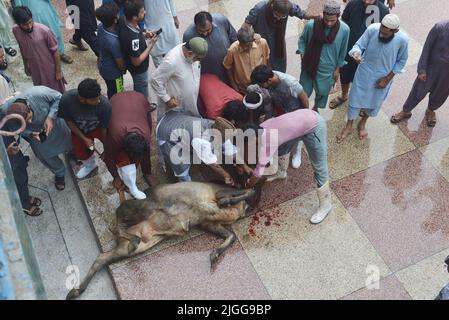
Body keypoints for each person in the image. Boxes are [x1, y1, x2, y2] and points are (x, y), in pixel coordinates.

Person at [227, 103, 331, 224]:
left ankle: (326, 205)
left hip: (315, 127)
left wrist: (248, 186)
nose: (248, 146)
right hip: (303, 118)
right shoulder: (261, 127)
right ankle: (281, 172)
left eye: (248, 143)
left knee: (319, 167)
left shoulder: (269, 141)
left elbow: (258, 173)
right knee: (282, 147)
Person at [336, 14, 408, 143]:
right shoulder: (373, 29)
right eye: (381, 31)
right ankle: (349, 125)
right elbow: (358, 45)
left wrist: (387, 79)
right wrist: (356, 54)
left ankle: (362, 123)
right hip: (364, 72)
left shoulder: (402, 39)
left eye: (386, 34)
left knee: (375, 102)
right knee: (354, 99)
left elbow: (401, 61)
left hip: (383, 77)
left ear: (395, 31)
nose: (381, 35)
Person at [2, 86, 72, 190]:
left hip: (55, 125)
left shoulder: (38, 93)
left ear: (29, 107)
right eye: (25, 122)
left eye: (29, 117)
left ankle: (72, 154)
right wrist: (29, 133)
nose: (29, 122)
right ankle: (59, 172)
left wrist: (51, 116)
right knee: (45, 156)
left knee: (68, 141)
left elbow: (59, 97)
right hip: (37, 137)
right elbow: (13, 128)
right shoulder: (6, 111)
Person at [329, 0, 389, 110]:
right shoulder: (352, 4)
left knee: (366, 79)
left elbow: (387, 36)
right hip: (349, 48)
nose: (366, 1)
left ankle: (362, 102)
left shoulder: (384, 11)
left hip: (370, 55)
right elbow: (343, 24)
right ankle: (344, 95)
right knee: (345, 74)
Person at [250, 64, 309, 172]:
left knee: (296, 136)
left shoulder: (290, 84)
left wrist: (304, 117)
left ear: (269, 80)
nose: (260, 86)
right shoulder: (269, 77)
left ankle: (297, 150)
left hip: (295, 112)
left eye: (261, 84)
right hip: (282, 110)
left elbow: (304, 99)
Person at [390, 20, 449, 127]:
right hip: (431, 69)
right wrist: (422, 69)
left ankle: (431, 110)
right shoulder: (439, 28)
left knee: (440, 95)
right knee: (418, 92)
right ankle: (406, 110)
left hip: (447, 76)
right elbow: (427, 48)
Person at [156, 110, 238, 185]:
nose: (227, 141)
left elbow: (229, 147)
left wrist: (245, 166)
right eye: (224, 139)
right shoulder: (201, 140)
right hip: (166, 133)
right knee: (181, 167)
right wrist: (226, 175)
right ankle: (185, 184)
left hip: (176, 120)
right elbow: (211, 163)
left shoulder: (216, 125)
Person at [298, 0, 350, 112]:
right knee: (303, 91)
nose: (329, 23)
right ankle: (302, 110)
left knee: (323, 92)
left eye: (333, 20)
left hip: (328, 68)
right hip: (309, 64)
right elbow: (302, 40)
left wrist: (337, 69)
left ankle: (316, 108)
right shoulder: (311, 25)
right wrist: (302, 52)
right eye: (326, 20)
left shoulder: (345, 30)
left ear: (338, 16)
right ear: (323, 14)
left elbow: (343, 51)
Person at [58, 79, 112, 179]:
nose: (98, 100)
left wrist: (106, 148)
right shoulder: (66, 100)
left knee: (112, 143)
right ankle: (90, 166)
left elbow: (104, 129)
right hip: (79, 129)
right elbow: (69, 121)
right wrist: (84, 139)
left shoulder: (105, 105)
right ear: (82, 99)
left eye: (98, 96)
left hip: (98, 128)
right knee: (80, 151)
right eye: (94, 100)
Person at [104, 91, 154, 200]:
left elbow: (145, 153)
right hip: (115, 100)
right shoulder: (115, 136)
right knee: (113, 153)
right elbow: (109, 158)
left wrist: (147, 172)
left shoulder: (146, 135)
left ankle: (147, 173)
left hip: (140, 99)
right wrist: (116, 177)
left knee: (140, 157)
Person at [244, 0, 317, 72]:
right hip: (262, 46)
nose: (279, 18)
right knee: (263, 72)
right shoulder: (259, 9)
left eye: (282, 17)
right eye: (276, 15)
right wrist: (253, 35)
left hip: (278, 45)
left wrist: (315, 17)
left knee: (279, 71)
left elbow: (303, 14)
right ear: (272, 6)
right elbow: (245, 28)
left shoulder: (288, 6)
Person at [12, 6, 66, 93]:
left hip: (49, 68)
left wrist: (58, 71)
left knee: (57, 91)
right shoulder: (16, 30)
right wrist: (26, 65)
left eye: (30, 22)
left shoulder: (44, 31)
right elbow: (22, 48)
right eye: (25, 24)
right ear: (18, 24)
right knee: (40, 90)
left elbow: (56, 52)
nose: (29, 26)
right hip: (35, 68)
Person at [151, 37, 208, 119]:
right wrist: (167, 99)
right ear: (189, 53)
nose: (198, 61)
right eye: (197, 58)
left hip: (190, 103)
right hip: (175, 107)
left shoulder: (191, 56)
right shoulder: (172, 61)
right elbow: (155, 80)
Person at [183, 11, 237, 83]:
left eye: (208, 30)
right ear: (196, 26)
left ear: (212, 23)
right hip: (208, 74)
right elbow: (188, 57)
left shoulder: (221, 20)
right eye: (201, 31)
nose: (205, 33)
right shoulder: (188, 35)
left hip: (228, 67)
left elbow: (234, 38)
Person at [119, 0, 158, 97]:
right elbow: (136, 61)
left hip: (134, 66)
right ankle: (144, 108)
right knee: (142, 91)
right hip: (139, 71)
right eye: (141, 12)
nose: (145, 12)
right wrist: (150, 45)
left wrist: (145, 35)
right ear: (134, 17)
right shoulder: (133, 38)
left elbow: (137, 32)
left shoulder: (125, 21)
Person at [223, 25, 270, 95]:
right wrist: (234, 86)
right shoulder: (232, 50)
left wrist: (269, 76)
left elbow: (267, 58)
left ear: (253, 40)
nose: (245, 48)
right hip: (243, 90)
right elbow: (227, 67)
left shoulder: (262, 43)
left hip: (263, 86)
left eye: (248, 46)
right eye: (242, 45)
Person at [3, 134, 43, 216]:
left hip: (9, 144)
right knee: (14, 182)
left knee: (22, 174)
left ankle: (24, 197)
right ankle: (23, 204)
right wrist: (4, 153)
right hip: (4, 159)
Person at [96, 3, 127, 99]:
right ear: (115, 19)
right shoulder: (113, 42)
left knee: (111, 89)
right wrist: (124, 69)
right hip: (114, 74)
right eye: (117, 14)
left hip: (103, 66)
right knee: (118, 93)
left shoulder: (101, 26)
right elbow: (119, 62)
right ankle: (116, 109)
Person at [144, 0, 180, 68]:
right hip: (151, 26)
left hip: (167, 22)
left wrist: (175, 17)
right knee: (157, 58)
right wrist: (144, 28)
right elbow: (139, 7)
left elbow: (170, 1)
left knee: (174, 51)